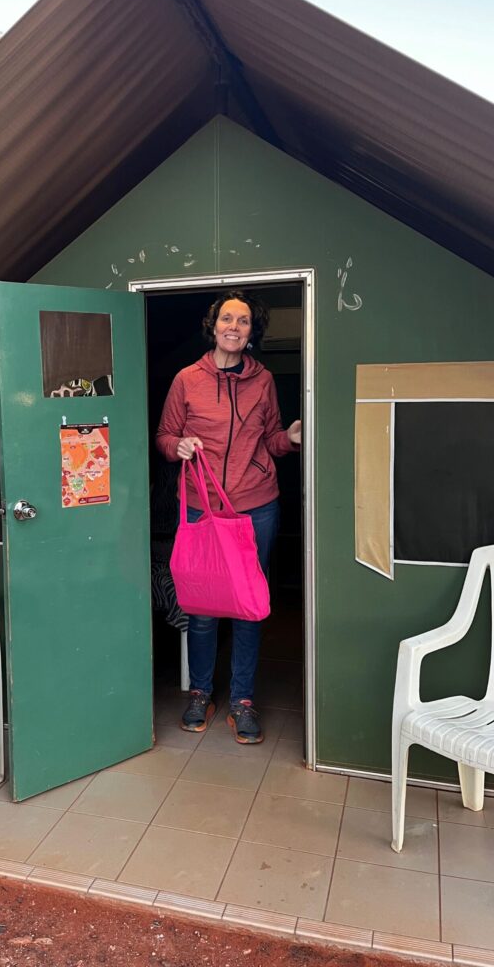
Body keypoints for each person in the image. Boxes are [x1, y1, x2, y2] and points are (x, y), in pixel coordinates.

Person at [156, 291, 301, 744]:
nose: (234, 327)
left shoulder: (264, 381)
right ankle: (200, 692)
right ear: (213, 325)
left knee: (247, 605)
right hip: (201, 506)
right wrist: (176, 446)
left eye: (243, 321)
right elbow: (164, 435)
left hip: (257, 506)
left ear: (252, 330)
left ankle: (242, 700)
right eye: (226, 319)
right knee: (200, 605)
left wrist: (291, 438)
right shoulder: (186, 379)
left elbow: (271, 439)